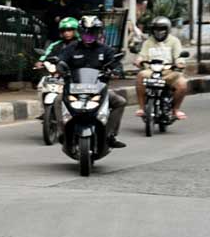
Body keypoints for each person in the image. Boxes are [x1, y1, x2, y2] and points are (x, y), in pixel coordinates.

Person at [56, 15, 127, 148]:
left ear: (98, 33)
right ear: (80, 32)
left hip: (98, 89)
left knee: (120, 102)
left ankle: (110, 135)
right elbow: (61, 61)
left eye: (92, 32)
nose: (89, 35)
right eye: (86, 32)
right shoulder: (72, 48)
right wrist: (60, 68)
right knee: (58, 100)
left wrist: (116, 71)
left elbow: (116, 64)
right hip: (74, 89)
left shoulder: (105, 49)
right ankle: (63, 133)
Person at [134, 16, 188, 120]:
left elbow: (178, 56)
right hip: (151, 71)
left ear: (168, 29)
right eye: (156, 29)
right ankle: (141, 108)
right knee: (140, 76)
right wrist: (138, 60)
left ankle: (176, 109)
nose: (159, 32)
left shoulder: (174, 41)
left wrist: (179, 63)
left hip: (169, 71)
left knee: (182, 84)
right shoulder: (148, 42)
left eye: (162, 29)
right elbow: (142, 55)